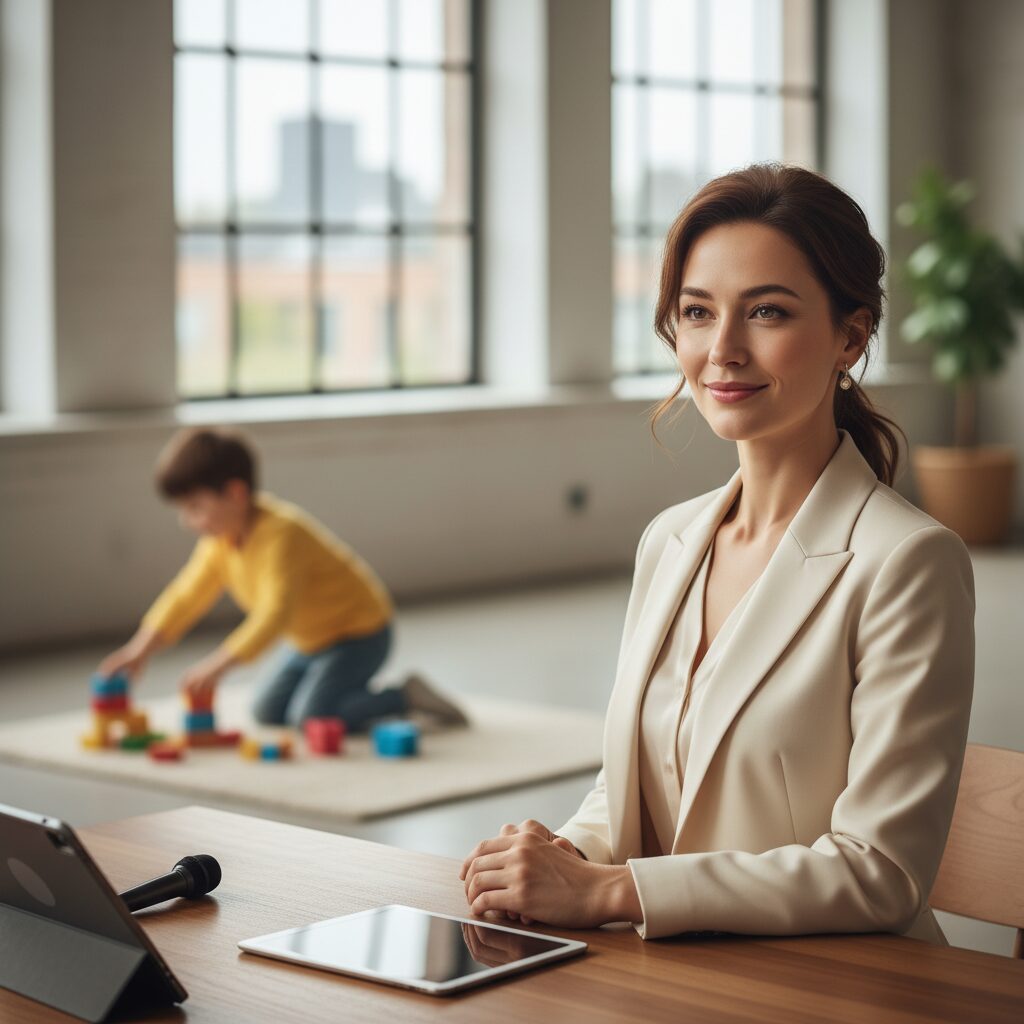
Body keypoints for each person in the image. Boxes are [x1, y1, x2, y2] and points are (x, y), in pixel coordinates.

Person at [460, 164, 975, 944]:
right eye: (698, 312)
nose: (723, 349)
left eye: (766, 312)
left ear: (852, 336)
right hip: (673, 978)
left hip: (834, 992)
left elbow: (880, 873)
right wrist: (563, 857)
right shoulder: (669, 540)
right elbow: (633, 783)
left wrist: (609, 891)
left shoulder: (907, 562)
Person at [98, 427, 468, 731]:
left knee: (310, 717)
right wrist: (139, 649)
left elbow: (274, 614)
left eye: (195, 507)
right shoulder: (221, 542)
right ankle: (346, 691)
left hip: (360, 634)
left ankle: (404, 696)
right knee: (266, 711)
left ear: (235, 493)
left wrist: (218, 665)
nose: (187, 521)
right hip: (308, 640)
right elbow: (186, 594)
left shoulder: (282, 534)